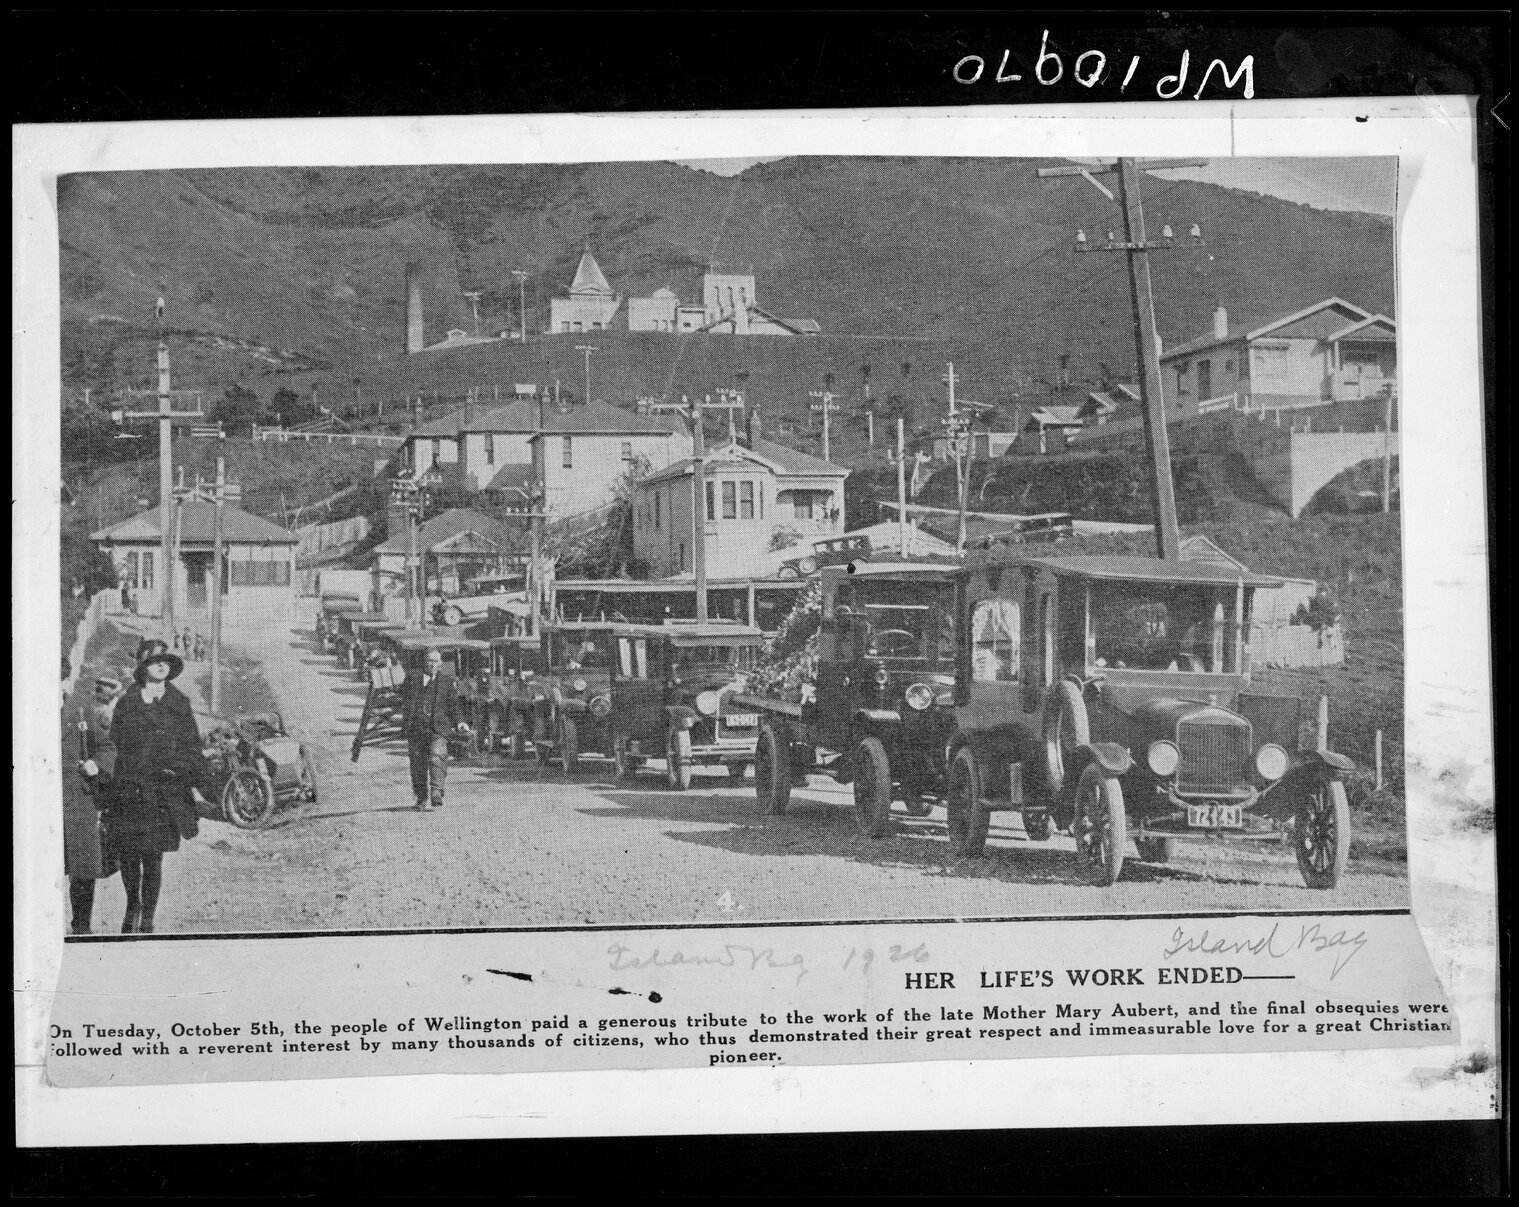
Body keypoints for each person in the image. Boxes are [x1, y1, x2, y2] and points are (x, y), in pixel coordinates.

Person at [97, 646, 211, 933]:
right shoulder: (128, 702)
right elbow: (114, 744)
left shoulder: (179, 702)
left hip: (163, 791)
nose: (161, 666)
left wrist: (181, 770)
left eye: (165, 662)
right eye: (154, 661)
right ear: (143, 667)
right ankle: (132, 905)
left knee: (153, 855)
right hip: (130, 789)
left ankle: (147, 915)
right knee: (129, 853)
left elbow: (191, 745)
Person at [67, 676, 122, 934]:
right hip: (38, 802)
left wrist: (96, 765)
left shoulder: (79, 709)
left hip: (77, 798)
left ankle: (81, 928)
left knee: (82, 869)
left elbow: (106, 746)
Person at [400, 648, 467, 812]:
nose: (432, 664)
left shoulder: (446, 682)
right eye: (429, 660)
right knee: (417, 764)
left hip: (438, 728)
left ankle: (436, 791)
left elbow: (454, 706)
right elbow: (403, 700)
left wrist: (460, 723)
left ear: (441, 664)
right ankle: (421, 797)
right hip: (416, 728)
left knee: (438, 755)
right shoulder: (412, 679)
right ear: (424, 662)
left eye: (436, 661)